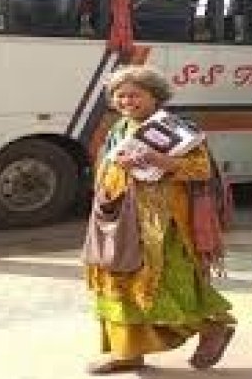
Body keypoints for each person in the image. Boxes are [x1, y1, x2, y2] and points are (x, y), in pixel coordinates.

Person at [82, 65, 235, 374]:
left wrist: (155, 159)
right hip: (116, 220)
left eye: (135, 95)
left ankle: (212, 328)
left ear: (155, 97)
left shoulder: (177, 129)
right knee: (116, 282)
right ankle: (127, 352)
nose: (127, 102)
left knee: (165, 284)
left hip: (163, 226)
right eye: (120, 96)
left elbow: (200, 170)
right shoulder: (118, 129)